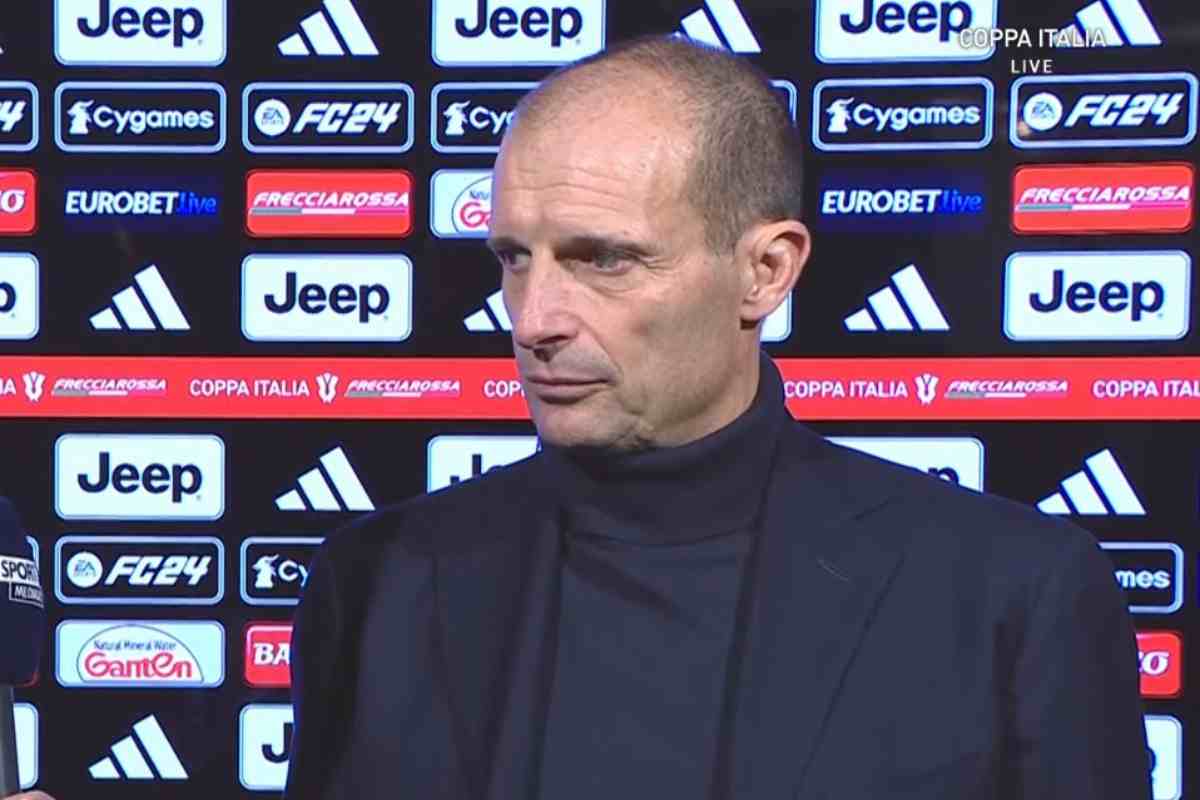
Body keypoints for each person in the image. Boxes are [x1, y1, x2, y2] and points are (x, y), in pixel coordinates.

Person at [281, 34, 1151, 800]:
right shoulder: (374, 582)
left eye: (604, 260)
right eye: (514, 258)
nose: (534, 318)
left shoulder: (1011, 595)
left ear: (766, 272)